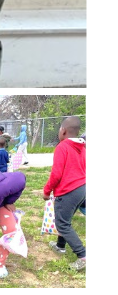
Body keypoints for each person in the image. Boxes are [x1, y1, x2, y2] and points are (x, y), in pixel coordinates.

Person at [44, 116, 86, 271]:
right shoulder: (83, 147)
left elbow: (56, 174)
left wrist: (47, 191)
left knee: (62, 224)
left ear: (63, 131)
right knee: (65, 220)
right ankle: (60, 246)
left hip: (68, 191)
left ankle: (83, 256)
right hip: (82, 189)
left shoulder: (62, 147)